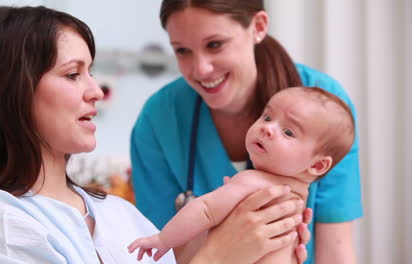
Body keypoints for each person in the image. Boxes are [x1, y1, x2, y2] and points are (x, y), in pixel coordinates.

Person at [0, 5, 311, 264]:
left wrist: (248, 238)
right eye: (73, 74)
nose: (96, 91)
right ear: (12, 91)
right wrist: (220, 258)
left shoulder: (118, 215)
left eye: (91, 72)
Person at [131, 0, 363, 263]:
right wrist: (221, 247)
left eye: (215, 44)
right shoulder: (160, 118)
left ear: (258, 26)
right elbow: (160, 254)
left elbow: (336, 250)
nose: (201, 69)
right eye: (183, 50)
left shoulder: (326, 107)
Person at [129, 86, 355, 263]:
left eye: (288, 132)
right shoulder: (297, 197)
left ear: (317, 166)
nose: (268, 128)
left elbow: (205, 210)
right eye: (267, 117)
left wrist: (162, 239)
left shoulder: (252, 181)